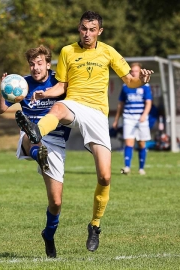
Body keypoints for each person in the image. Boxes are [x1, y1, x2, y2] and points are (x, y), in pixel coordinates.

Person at [15, 11, 154, 252]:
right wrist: (45, 93)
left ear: (100, 31)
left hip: (98, 114)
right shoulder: (67, 52)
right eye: (83, 29)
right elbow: (62, 86)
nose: (86, 34)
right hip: (75, 104)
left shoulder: (108, 52)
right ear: (78, 29)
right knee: (58, 108)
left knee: (105, 177)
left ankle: (95, 225)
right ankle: (35, 133)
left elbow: (129, 81)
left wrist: (141, 80)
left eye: (91, 30)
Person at [0, 45, 70, 258]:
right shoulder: (21, 84)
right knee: (30, 135)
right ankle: (37, 151)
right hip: (30, 132)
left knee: (55, 202)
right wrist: (3, 89)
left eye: (39, 63)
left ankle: (48, 233)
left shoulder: (59, 82)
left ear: (48, 64)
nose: (35, 68)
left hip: (55, 140)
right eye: (32, 64)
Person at [112, 62, 153, 175]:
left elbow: (149, 102)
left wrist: (144, 115)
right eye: (132, 71)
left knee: (141, 144)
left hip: (141, 118)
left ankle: (141, 168)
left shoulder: (145, 86)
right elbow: (121, 104)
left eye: (136, 71)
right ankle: (127, 167)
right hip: (128, 118)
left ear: (140, 72)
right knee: (129, 142)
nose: (133, 73)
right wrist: (116, 120)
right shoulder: (126, 86)